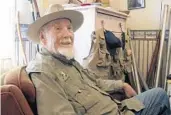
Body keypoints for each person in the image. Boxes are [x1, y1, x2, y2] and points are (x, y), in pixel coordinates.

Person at [26, 4, 171, 115]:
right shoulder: (43, 71)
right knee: (160, 96)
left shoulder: (68, 61)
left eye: (69, 28)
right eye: (58, 29)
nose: (67, 34)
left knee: (158, 93)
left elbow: (96, 82)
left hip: (119, 108)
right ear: (43, 38)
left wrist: (121, 85)